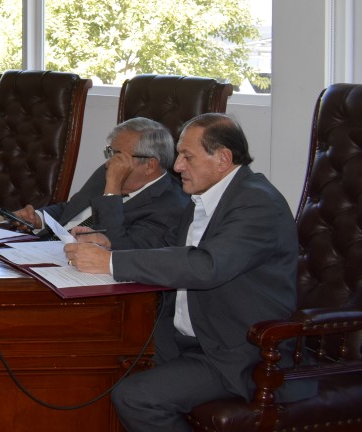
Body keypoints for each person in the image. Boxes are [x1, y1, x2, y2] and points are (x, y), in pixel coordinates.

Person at [64, 113, 309, 430]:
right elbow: (171, 253)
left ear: (222, 159)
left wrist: (110, 263)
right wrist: (110, 246)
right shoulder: (202, 198)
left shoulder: (258, 204)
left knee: (136, 397)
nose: (177, 166)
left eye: (187, 156)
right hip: (182, 336)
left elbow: (206, 265)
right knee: (96, 358)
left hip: (237, 351)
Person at [13, 117, 188, 249]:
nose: (109, 163)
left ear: (150, 165)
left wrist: (112, 190)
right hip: (41, 248)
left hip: (81, 272)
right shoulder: (106, 172)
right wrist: (38, 218)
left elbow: (116, 247)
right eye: (111, 153)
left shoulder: (171, 207)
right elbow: (72, 209)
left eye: (118, 156)